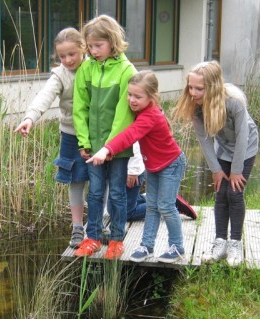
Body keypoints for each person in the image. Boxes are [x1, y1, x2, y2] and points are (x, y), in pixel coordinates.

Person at [88, 70, 187, 263]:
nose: (132, 100)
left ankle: (177, 247)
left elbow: (130, 135)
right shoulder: (139, 111)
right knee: (152, 206)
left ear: (152, 97)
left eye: (138, 96)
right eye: (130, 94)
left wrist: (106, 149)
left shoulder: (150, 116)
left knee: (165, 206)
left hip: (171, 164)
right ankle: (147, 246)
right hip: (154, 165)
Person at [173, 61, 259, 266]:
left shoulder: (234, 102)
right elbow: (204, 140)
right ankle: (220, 242)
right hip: (223, 148)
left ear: (212, 87)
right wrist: (216, 170)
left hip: (245, 147)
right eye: (190, 87)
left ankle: (235, 243)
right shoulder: (196, 107)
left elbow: (242, 137)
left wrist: (236, 170)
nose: (193, 92)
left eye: (199, 89)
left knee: (235, 193)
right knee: (221, 193)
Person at [14, 27, 88, 249]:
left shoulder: (94, 67)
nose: (67, 60)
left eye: (71, 54)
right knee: (75, 180)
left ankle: (98, 223)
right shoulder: (60, 74)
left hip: (97, 135)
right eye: (62, 56)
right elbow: (44, 96)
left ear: (83, 48)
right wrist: (30, 118)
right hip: (71, 135)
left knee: (98, 179)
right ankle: (77, 227)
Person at [72, 15, 136, 259]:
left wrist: (110, 147)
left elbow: (124, 114)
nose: (92, 50)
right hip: (93, 147)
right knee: (95, 193)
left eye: (98, 45)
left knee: (117, 193)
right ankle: (93, 238)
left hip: (118, 147)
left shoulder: (126, 70)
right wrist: (85, 141)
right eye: (90, 46)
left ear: (112, 41)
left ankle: (117, 239)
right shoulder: (86, 69)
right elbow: (80, 108)